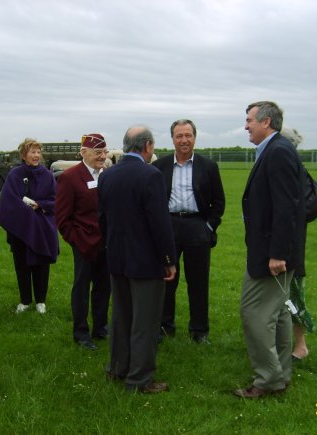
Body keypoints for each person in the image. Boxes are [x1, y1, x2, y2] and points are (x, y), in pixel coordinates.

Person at [98, 125, 176, 394]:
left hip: (117, 257)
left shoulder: (107, 176)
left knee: (121, 316)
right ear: (148, 146)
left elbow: (103, 219)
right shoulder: (151, 175)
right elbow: (160, 223)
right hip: (145, 261)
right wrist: (168, 258)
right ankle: (139, 379)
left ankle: (118, 368)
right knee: (145, 322)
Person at [235, 101, 305, 399]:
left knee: (254, 313)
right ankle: (280, 375)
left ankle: (267, 380)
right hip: (275, 251)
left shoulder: (277, 152)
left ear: (266, 122)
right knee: (277, 315)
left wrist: (278, 253)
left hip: (272, 255)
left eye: (249, 120)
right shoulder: (275, 150)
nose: (246, 125)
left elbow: (286, 208)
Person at [152, 119, 225, 343]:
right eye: (179, 136)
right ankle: (165, 326)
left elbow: (219, 202)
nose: (184, 140)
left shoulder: (208, 166)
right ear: (172, 138)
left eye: (188, 135)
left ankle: (199, 330)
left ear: (195, 137)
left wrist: (208, 227)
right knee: (166, 279)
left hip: (197, 227)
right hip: (169, 226)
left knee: (198, 281)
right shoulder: (159, 167)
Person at [56, 133, 111, 351]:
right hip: (84, 244)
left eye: (105, 152)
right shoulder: (70, 177)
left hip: (106, 243)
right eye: (98, 153)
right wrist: (77, 240)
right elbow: (62, 218)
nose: (103, 156)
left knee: (103, 287)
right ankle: (81, 333)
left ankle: (100, 328)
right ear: (84, 153)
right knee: (81, 288)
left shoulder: (107, 174)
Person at [0, 139, 58, 314]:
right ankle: (25, 300)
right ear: (24, 155)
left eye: (38, 152)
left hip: (41, 229)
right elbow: (9, 201)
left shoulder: (47, 175)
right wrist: (27, 213)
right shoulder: (15, 175)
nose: (36, 155)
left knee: (41, 265)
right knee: (22, 265)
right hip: (21, 229)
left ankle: (40, 300)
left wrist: (41, 205)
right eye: (32, 152)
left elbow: (55, 200)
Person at [280, 128, 316, 362]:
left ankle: (300, 345)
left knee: (292, 295)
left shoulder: (293, 170)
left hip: (290, 246)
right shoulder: (290, 167)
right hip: (286, 243)